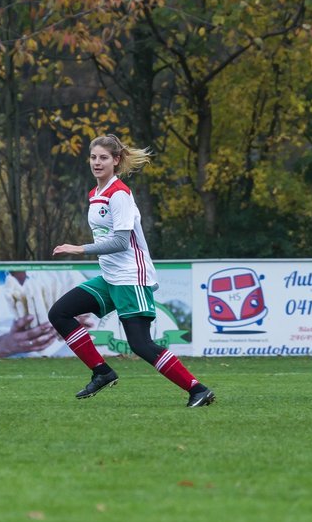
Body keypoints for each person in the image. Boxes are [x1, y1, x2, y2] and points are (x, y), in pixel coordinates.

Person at [49, 134, 216, 407]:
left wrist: (80, 249)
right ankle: (102, 372)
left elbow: (121, 242)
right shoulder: (95, 194)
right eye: (93, 157)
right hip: (111, 278)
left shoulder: (120, 194)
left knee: (141, 345)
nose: (97, 162)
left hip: (130, 278)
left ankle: (197, 389)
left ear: (116, 161)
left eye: (103, 157)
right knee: (60, 313)